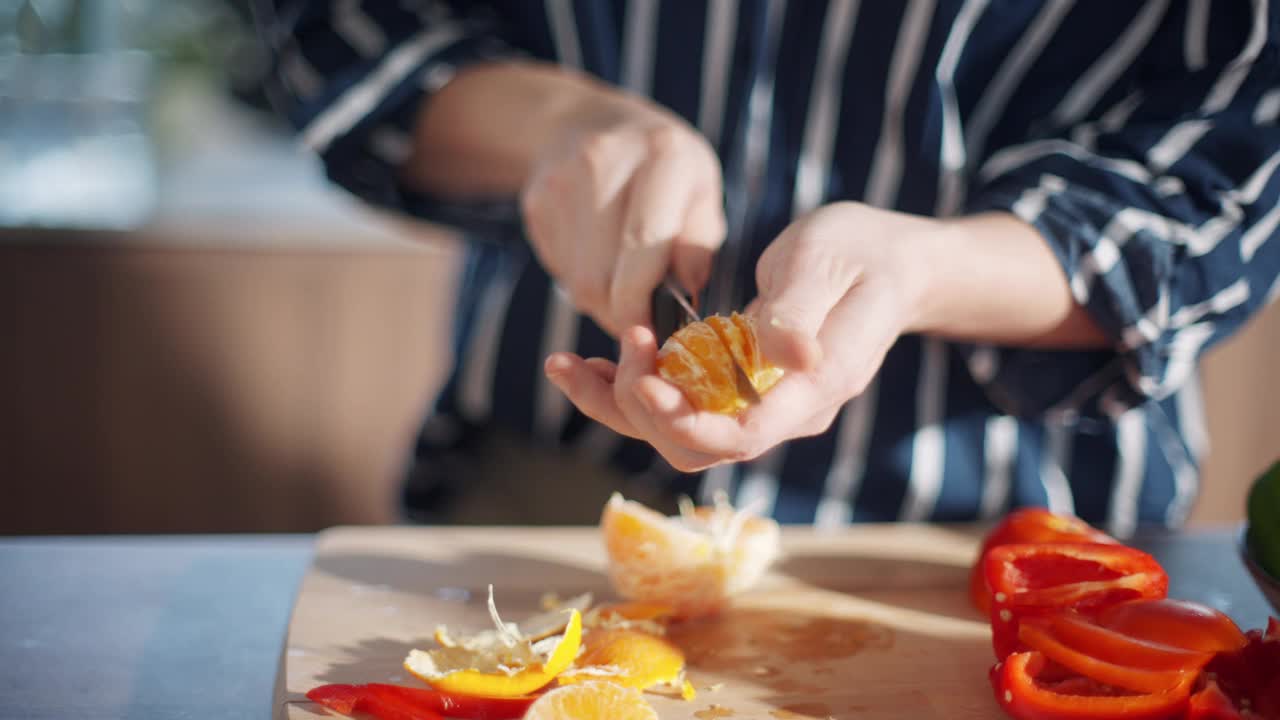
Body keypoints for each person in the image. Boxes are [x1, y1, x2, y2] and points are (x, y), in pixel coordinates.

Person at [256, 0, 1280, 536]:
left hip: (1004, 536)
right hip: (552, 496)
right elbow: (343, 31)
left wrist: (922, 270)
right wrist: (554, 125)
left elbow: (1214, 185)